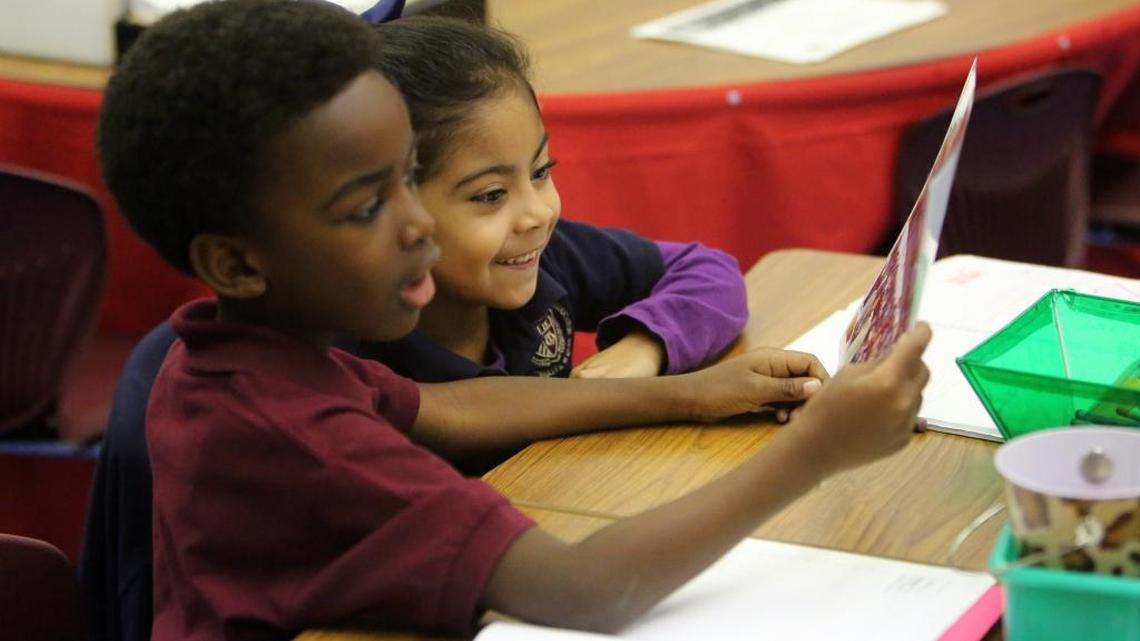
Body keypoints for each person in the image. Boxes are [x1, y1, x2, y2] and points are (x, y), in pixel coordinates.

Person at [96, 1, 931, 638]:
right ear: (237, 262)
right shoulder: (301, 440)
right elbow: (587, 591)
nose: (417, 224)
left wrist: (689, 392)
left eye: (406, 181)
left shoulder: (249, 355)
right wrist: (813, 452)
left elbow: (453, 409)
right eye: (367, 206)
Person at [356, 17, 747, 388]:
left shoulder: (548, 258)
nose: (539, 214)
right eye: (491, 195)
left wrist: (645, 345)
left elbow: (709, 271)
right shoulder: (345, 357)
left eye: (540, 172)